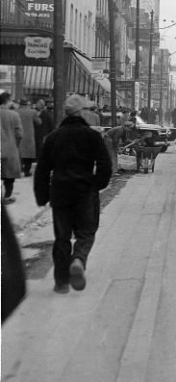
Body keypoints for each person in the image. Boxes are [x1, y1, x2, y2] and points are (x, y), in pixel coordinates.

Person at [33, 94, 113, 294]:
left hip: (59, 191)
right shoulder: (91, 136)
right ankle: (78, 258)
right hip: (84, 191)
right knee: (86, 232)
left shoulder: (53, 137)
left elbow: (42, 169)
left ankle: (61, 282)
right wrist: (97, 184)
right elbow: (105, 164)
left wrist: (42, 195)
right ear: (81, 112)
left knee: (62, 237)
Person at [0, 91, 23, 205]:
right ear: (8, 101)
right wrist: (15, 145)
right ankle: (7, 196)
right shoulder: (14, 115)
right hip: (9, 149)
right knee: (9, 177)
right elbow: (19, 134)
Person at [17, 100, 39, 177]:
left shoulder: (15, 111)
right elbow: (39, 122)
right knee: (29, 154)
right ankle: (27, 171)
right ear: (27, 104)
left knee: (19, 153)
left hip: (18, 135)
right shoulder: (32, 112)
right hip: (29, 136)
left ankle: (18, 170)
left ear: (20, 104)